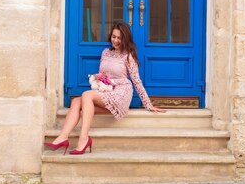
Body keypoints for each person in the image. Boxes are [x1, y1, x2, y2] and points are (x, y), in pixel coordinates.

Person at [44, 21, 166, 155]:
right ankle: (62, 137)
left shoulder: (128, 56)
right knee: (75, 102)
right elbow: (103, 75)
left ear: (125, 39)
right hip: (107, 91)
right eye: (114, 37)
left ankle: (84, 138)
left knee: (86, 95)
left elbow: (137, 81)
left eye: (120, 38)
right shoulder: (105, 52)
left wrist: (148, 104)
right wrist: (98, 80)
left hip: (121, 92)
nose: (116, 40)